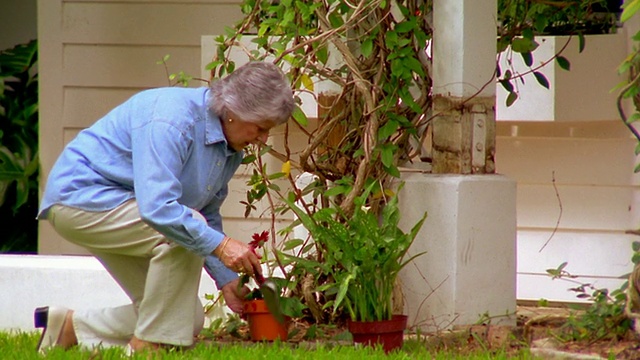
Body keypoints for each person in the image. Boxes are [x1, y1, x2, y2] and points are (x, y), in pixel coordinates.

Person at [35, 61, 295, 353]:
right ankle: (146, 347)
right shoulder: (172, 118)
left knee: (184, 318)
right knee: (181, 231)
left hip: (129, 211)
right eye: (260, 128)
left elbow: (206, 214)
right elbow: (160, 208)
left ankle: (68, 326)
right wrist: (221, 246)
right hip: (81, 200)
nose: (262, 139)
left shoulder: (229, 147)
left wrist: (227, 281)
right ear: (234, 112)